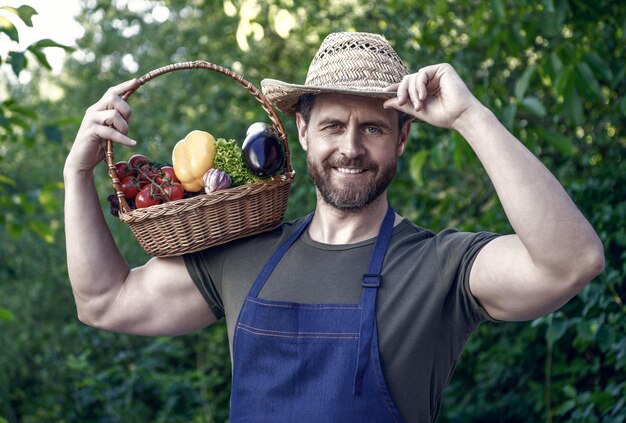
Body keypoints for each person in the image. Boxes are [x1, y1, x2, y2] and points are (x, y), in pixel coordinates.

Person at [64, 32, 604, 422]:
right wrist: (77, 172)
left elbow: (572, 261)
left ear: (402, 138)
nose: (350, 147)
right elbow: (103, 301)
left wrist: (470, 117)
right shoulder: (241, 253)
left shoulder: (440, 269)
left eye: (372, 127)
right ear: (301, 131)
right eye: (332, 125)